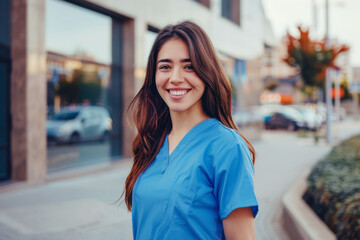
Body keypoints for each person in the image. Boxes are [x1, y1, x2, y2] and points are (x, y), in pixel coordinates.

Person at [124, 21, 258, 239]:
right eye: (165, 66)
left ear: (207, 73)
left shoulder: (227, 147)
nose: (175, 78)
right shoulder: (151, 142)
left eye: (189, 66)